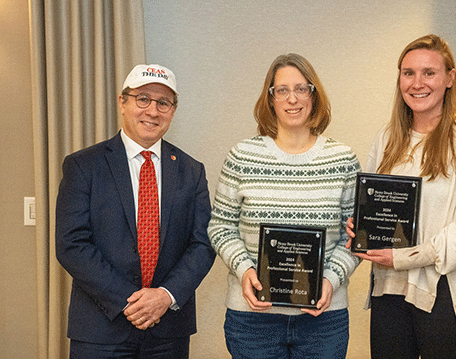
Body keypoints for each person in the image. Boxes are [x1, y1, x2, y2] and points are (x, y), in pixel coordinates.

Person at [346, 34, 456, 359]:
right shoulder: (388, 137)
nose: (417, 83)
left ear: (450, 78)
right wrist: (361, 227)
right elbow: (373, 203)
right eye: (408, 73)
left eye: (429, 72)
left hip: (447, 292)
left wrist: (406, 257)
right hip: (390, 287)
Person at [55, 64, 216, 358]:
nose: (152, 111)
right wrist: (131, 301)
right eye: (143, 99)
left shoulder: (191, 171)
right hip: (100, 329)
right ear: (123, 102)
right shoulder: (83, 166)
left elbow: (203, 244)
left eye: (163, 103)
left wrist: (164, 297)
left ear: (173, 110)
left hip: (168, 331)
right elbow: (71, 244)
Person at [208, 53, 361, 359]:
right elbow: (220, 226)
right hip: (252, 320)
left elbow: (355, 235)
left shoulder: (343, 159)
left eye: (302, 89)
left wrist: (331, 280)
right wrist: (244, 270)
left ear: (314, 96)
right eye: (282, 90)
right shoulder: (242, 156)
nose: (293, 99)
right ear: (270, 98)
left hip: (323, 319)